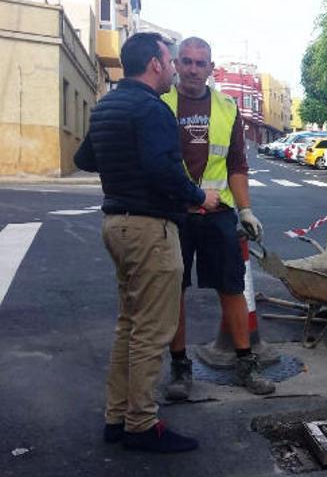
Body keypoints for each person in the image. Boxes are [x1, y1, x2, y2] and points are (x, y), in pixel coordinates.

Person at [74, 32, 218, 453]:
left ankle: (116, 416)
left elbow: (86, 159)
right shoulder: (152, 108)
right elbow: (162, 169)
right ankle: (141, 423)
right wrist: (198, 196)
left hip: (115, 225)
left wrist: (121, 162)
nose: (176, 68)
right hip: (150, 230)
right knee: (152, 330)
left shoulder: (107, 106)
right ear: (155, 64)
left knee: (129, 325)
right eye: (171, 61)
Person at [161, 37, 274, 399]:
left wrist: (246, 209)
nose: (194, 69)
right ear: (176, 65)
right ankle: (180, 368)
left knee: (232, 288)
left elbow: (236, 165)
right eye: (187, 62)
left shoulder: (227, 108)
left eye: (201, 63)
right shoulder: (160, 105)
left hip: (219, 215)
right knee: (172, 292)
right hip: (174, 215)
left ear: (211, 69)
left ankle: (245, 362)